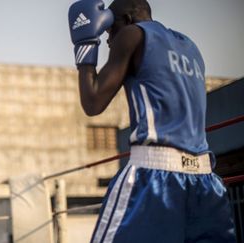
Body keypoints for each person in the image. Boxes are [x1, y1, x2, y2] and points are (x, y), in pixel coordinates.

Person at [68, 0, 237, 242]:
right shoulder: (190, 46)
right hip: (206, 181)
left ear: (126, 20)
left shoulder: (131, 35)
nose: (108, 40)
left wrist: (84, 44)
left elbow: (92, 102)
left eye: (109, 30)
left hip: (155, 176)